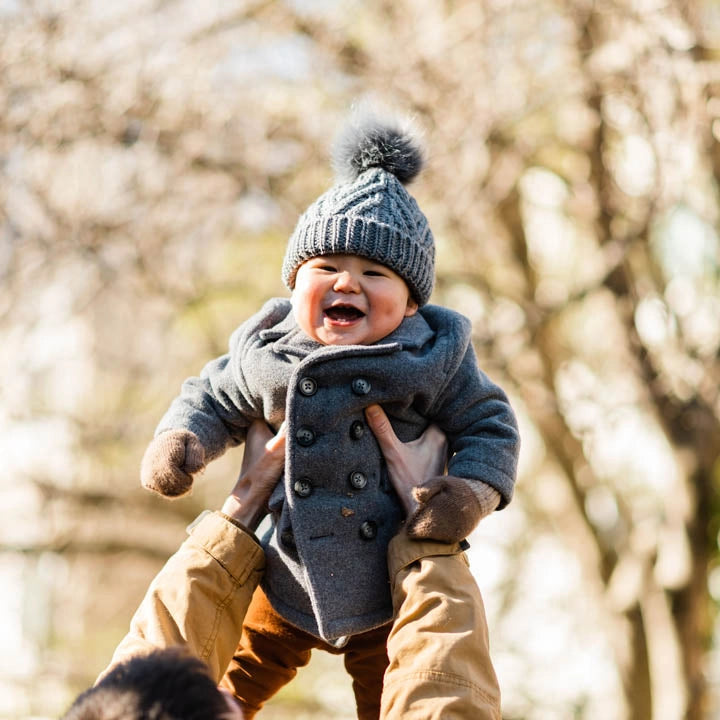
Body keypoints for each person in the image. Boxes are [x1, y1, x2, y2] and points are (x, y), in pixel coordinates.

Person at [139, 108, 519, 718]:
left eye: (375, 273)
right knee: (225, 685)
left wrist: (468, 493)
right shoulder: (267, 350)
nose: (349, 283)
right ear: (294, 282)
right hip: (282, 569)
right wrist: (183, 442)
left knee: (398, 687)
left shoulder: (434, 355)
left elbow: (489, 422)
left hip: (391, 582)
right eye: (327, 268)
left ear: (412, 303)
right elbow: (210, 394)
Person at [71, 411, 501, 720]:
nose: (232, 703)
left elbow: (138, 693)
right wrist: (429, 543)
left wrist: (242, 506)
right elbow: (445, 708)